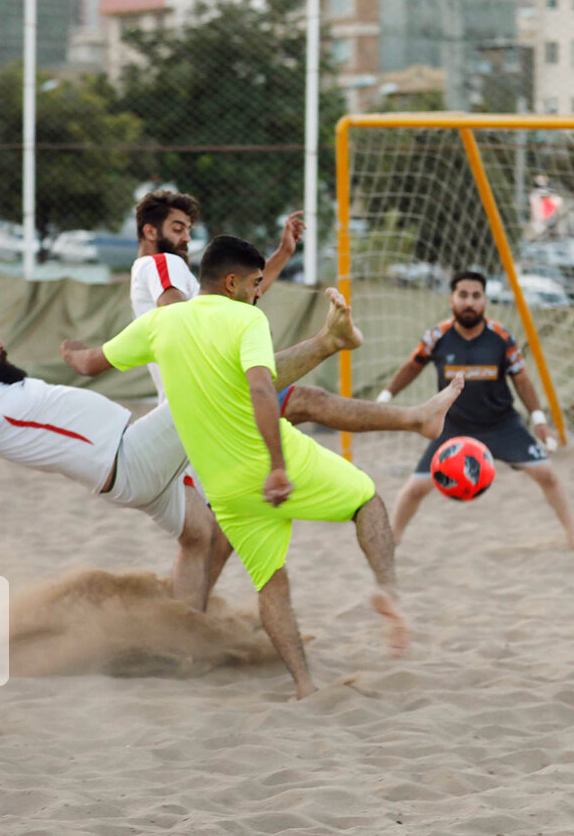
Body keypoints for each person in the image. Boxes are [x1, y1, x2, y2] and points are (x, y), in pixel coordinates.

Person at [0, 293, 462, 620]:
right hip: (130, 458)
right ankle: (359, 371)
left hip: (133, 467)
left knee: (208, 536)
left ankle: (180, 631)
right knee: (237, 386)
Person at [64, 236, 428, 699]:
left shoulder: (159, 323)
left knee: (272, 582)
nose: (260, 292)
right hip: (268, 462)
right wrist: (278, 466)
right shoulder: (247, 318)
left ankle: (304, 684)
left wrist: (71, 352)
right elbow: (262, 389)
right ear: (233, 282)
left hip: (225, 491)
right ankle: (388, 589)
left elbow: (90, 363)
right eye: (257, 283)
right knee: (366, 500)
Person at [380, 270, 574, 551]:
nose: (469, 302)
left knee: (547, 474)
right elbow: (411, 367)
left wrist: (539, 419)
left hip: (501, 425)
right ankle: (392, 540)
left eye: (476, 296)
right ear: (452, 299)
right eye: (463, 295)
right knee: (415, 489)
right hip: (452, 428)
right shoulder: (436, 336)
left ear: (485, 300)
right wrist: (384, 398)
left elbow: (522, 380)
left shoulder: (502, 338)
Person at [128, 191, 302, 399]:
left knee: (304, 400)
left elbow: (246, 289)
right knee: (308, 400)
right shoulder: (161, 262)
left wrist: (284, 251)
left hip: (193, 398)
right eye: (178, 229)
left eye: (188, 229)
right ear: (150, 232)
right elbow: (179, 319)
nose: (187, 238)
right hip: (205, 396)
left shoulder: (149, 271)